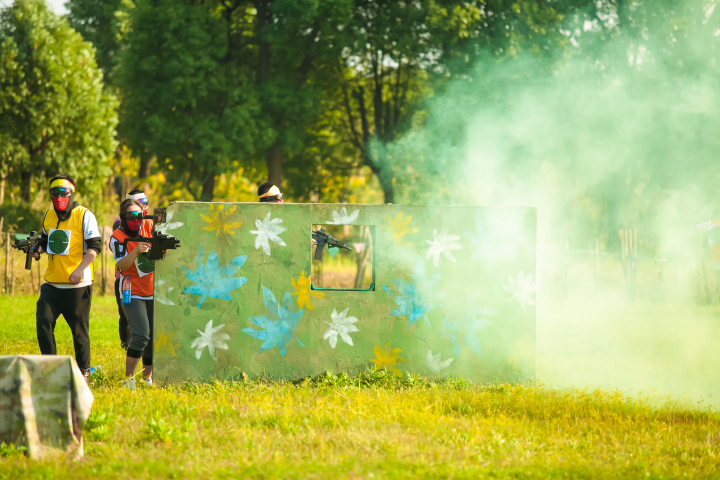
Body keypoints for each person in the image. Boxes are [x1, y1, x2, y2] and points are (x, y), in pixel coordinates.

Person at [34, 175, 102, 381]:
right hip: (52, 284)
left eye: (64, 192)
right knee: (43, 322)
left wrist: (80, 269)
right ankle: (52, 370)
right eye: (55, 192)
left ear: (72, 193)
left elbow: (95, 247)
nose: (59, 196)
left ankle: (84, 374)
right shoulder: (48, 215)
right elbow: (47, 242)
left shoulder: (84, 215)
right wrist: (37, 249)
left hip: (77, 286)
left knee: (79, 333)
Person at [110, 199, 155, 390]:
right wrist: (136, 250)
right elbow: (122, 265)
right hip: (131, 290)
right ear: (123, 218)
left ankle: (147, 379)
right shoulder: (117, 237)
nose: (137, 219)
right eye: (131, 216)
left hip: (152, 289)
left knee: (153, 336)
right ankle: (128, 379)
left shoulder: (149, 225)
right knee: (141, 334)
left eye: (140, 215)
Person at [111, 189, 149, 349]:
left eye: (145, 202)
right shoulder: (119, 225)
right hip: (124, 277)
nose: (144, 207)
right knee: (125, 316)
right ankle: (126, 343)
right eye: (141, 203)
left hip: (145, 279)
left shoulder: (148, 223)